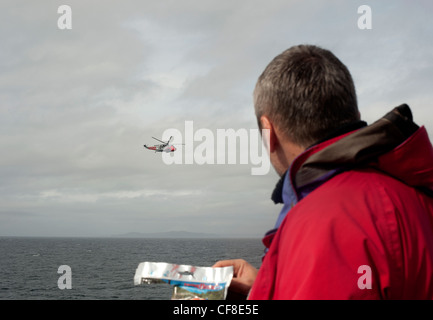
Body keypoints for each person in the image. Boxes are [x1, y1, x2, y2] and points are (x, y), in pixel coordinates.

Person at [213, 44, 433, 299]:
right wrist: (264, 288)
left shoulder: (322, 223)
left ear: (268, 131)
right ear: (356, 117)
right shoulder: (415, 194)